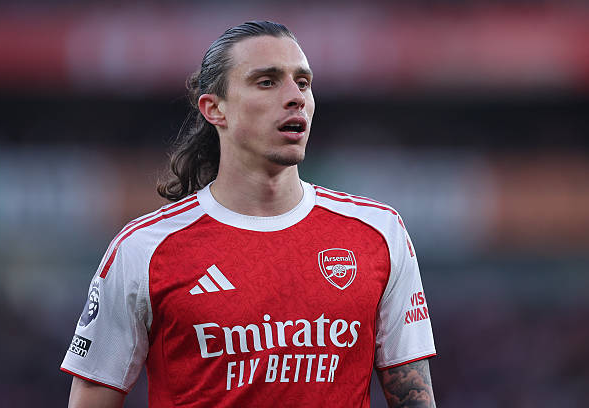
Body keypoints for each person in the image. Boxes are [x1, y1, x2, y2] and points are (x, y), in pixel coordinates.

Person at [61, 21, 437, 408]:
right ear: (215, 109)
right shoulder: (143, 249)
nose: (295, 97)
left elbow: (414, 396)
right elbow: (92, 396)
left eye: (303, 82)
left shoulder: (378, 233)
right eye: (267, 82)